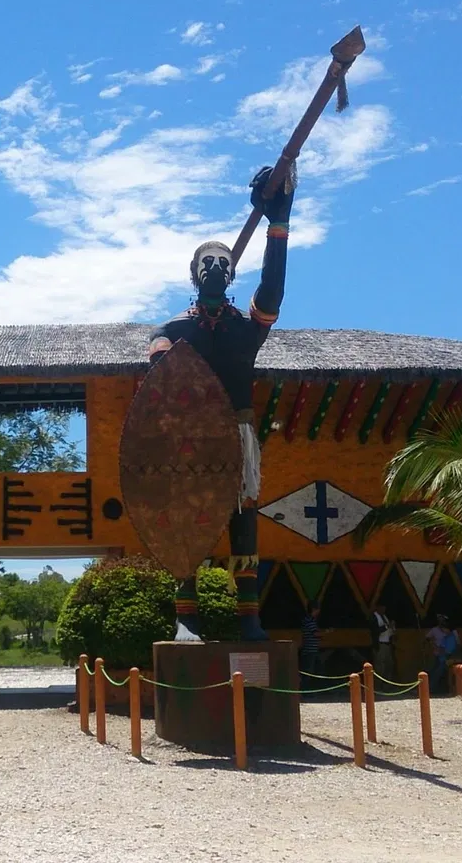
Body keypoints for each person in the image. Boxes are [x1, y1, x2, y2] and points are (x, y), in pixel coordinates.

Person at [150, 162, 296, 642]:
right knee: (186, 517)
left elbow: (272, 291)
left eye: (223, 261)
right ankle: (186, 616)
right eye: (207, 261)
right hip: (189, 439)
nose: (215, 266)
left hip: (238, 432)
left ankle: (248, 615)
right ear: (194, 274)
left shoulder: (245, 330)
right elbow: (160, 381)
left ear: (232, 274)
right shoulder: (172, 330)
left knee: (243, 518)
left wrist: (279, 223)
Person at [426, 615, 459, 694]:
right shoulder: (446, 637)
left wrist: (438, 649)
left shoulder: (451, 638)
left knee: (437, 673)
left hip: (446, 659)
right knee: (432, 672)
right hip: (441, 658)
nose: (443, 630)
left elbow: (448, 651)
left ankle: (430, 689)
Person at [298, 602, 322, 689]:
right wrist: (326, 633)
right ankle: (305, 690)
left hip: (312, 650)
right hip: (309, 650)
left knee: (312, 670)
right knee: (308, 672)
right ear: (314, 609)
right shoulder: (309, 620)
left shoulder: (310, 620)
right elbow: (315, 633)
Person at [371, 603, 396, 678]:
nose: (383, 609)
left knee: (389, 664)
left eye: (384, 608)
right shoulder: (373, 617)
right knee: (380, 666)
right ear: (377, 607)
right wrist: (387, 626)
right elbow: (375, 630)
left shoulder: (385, 617)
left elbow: (388, 631)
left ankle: (387, 682)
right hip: (380, 644)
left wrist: (393, 631)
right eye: (382, 607)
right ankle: (379, 683)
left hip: (388, 644)